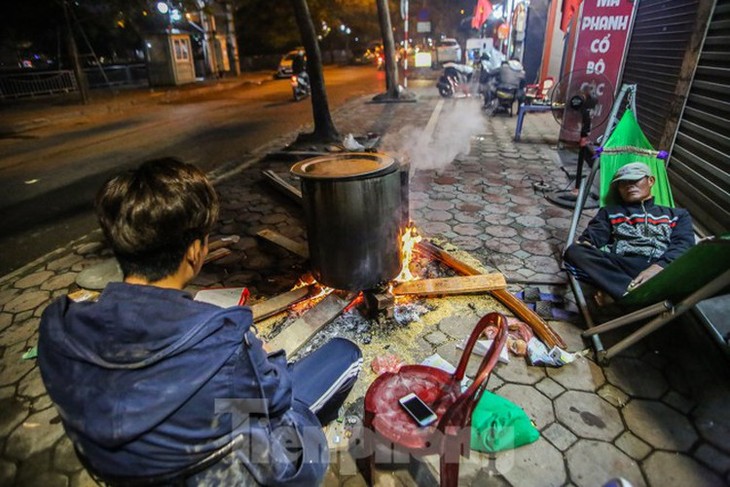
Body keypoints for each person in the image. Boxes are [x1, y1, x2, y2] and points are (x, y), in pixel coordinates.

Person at [38, 158, 362, 485]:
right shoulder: (223, 342)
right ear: (195, 252)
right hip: (234, 473)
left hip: (128, 473)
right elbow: (274, 399)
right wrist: (260, 356)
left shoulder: (58, 329)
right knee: (343, 355)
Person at [563, 162, 694, 303]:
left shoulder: (677, 215)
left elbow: (683, 245)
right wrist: (586, 242)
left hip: (661, 266)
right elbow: (593, 236)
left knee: (696, 263)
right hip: (623, 266)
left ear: (651, 181)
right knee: (575, 251)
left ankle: (615, 292)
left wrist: (658, 267)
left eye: (634, 179)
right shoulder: (610, 212)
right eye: (622, 183)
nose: (629, 185)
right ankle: (630, 293)